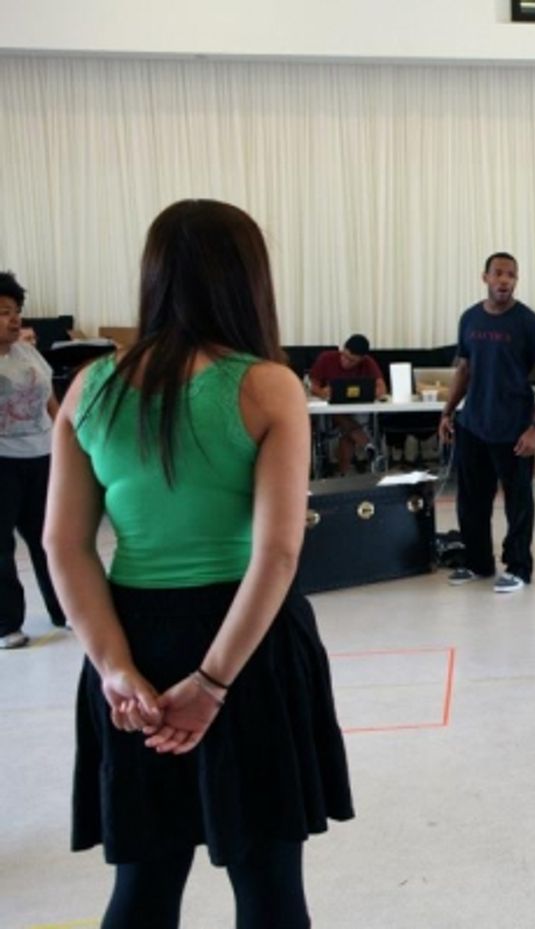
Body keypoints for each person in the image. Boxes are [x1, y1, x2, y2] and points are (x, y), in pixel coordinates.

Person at [44, 200, 353, 928]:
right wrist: (213, 681)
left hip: (134, 640)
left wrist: (114, 666)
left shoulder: (91, 387)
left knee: (143, 884)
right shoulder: (269, 384)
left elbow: (64, 546)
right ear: (248, 280)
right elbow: (277, 552)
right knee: (268, 884)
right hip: (249, 646)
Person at [437, 252, 535, 594]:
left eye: (511, 275)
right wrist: (448, 411)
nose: (505, 280)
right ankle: (477, 562)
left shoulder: (529, 323)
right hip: (473, 423)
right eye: (499, 274)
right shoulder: (470, 319)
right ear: (485, 277)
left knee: (518, 501)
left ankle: (518, 567)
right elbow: (464, 369)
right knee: (472, 499)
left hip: (514, 427)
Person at [0, 271, 68, 649]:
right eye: (3, 312)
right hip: (3, 461)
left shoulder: (28, 352)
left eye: (15, 311)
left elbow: (49, 399)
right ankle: (7, 624)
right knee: (1, 548)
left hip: (43, 458)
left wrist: (65, 439)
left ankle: (64, 610)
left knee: (50, 538)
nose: (13, 319)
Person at [307, 334, 387, 476]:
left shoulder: (368, 362)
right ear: (343, 349)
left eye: (352, 361)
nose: (346, 362)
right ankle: (368, 446)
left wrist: (369, 392)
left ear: (361, 359)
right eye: (344, 356)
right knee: (340, 416)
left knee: (348, 431)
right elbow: (312, 386)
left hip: (354, 412)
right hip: (329, 413)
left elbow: (382, 389)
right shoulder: (327, 358)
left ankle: (342, 475)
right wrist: (322, 392)